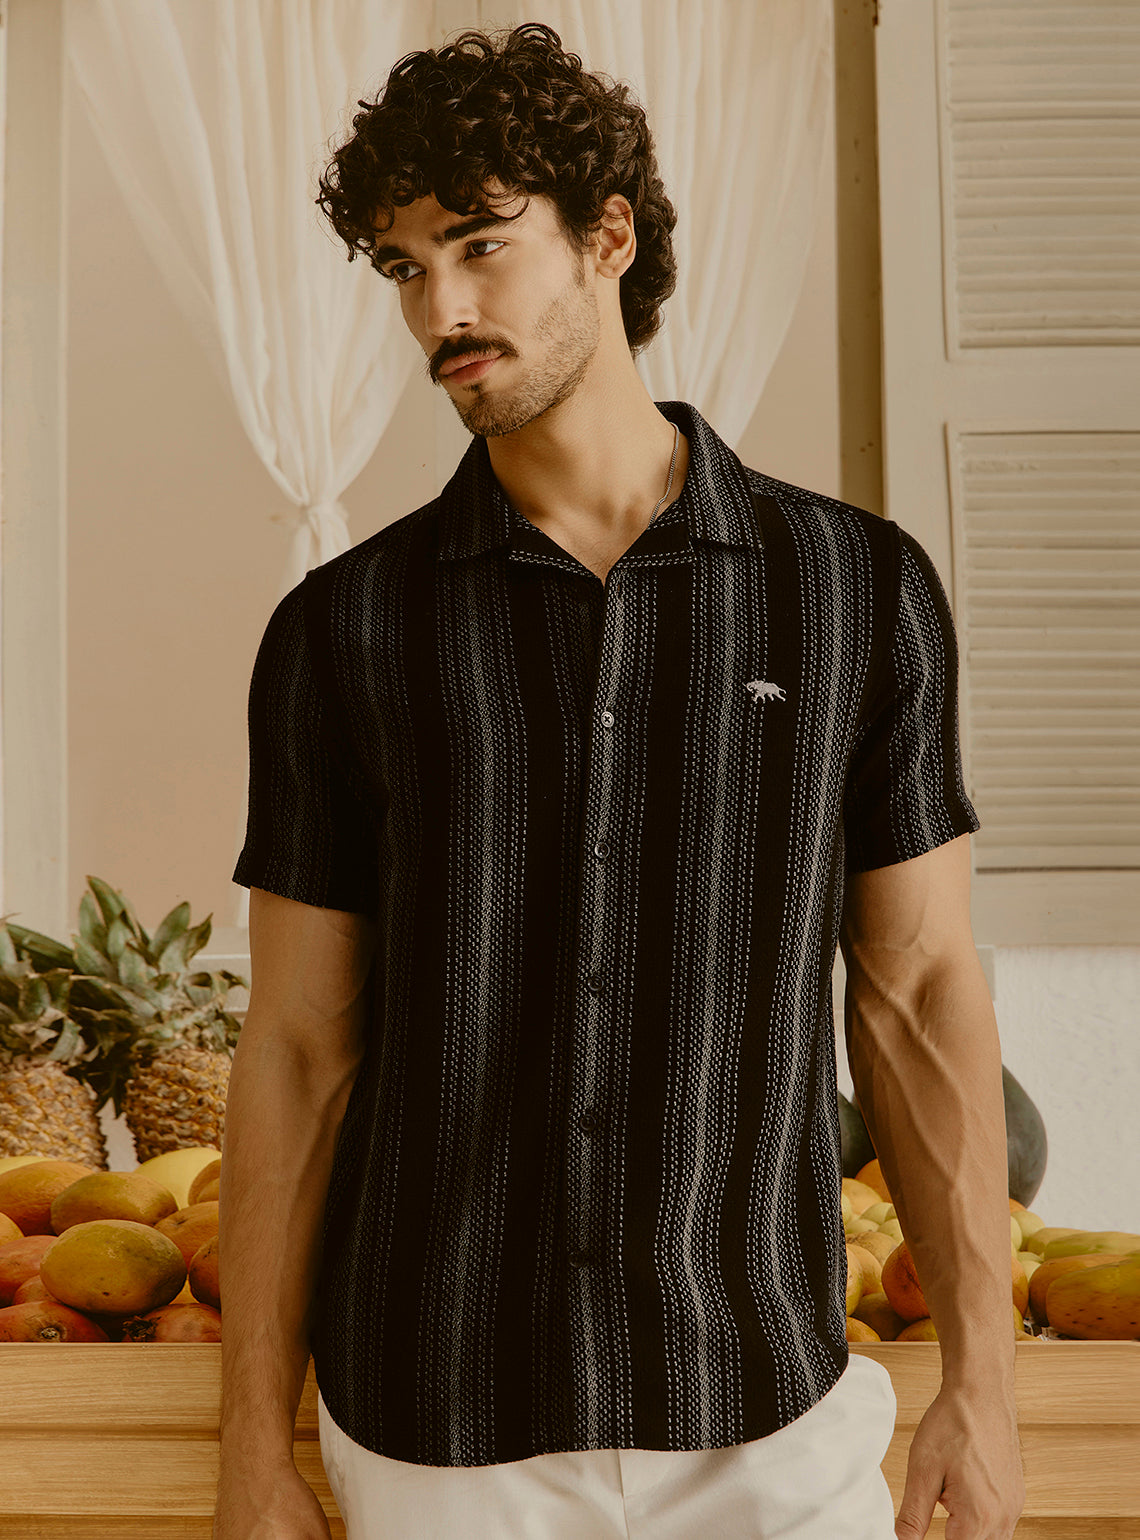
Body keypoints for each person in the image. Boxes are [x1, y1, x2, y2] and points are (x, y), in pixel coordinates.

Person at [214, 23, 1025, 1540]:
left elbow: (918, 994)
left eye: (478, 243)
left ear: (607, 238)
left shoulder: (854, 591)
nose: (441, 309)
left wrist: (983, 1384)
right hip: (436, 1431)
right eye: (402, 266)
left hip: (768, 1420)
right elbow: (299, 1050)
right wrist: (251, 1440)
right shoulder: (345, 631)